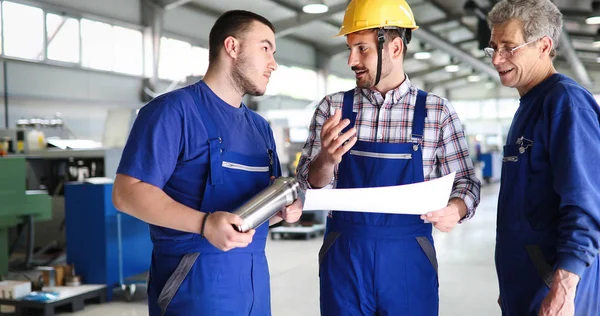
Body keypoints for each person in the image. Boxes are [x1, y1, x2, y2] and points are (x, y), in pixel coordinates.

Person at [296, 0, 481, 314]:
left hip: (409, 258)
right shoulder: (333, 109)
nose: (352, 59)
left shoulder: (437, 111)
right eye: (350, 48)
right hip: (345, 257)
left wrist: (456, 208)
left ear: (395, 48)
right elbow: (306, 187)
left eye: (363, 49)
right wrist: (326, 159)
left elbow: (466, 182)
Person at [112, 10, 302, 316]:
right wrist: (204, 223)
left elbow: (252, 216)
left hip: (254, 287)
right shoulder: (171, 112)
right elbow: (126, 192)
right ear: (232, 46)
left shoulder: (260, 128)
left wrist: (281, 211)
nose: (273, 64)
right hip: (193, 288)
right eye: (265, 48)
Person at [486, 1, 600, 315]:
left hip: (556, 290)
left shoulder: (565, 103)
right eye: (494, 47)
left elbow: (587, 204)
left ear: (544, 46)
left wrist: (564, 287)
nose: (497, 59)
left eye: (509, 48)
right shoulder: (529, 106)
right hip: (529, 285)